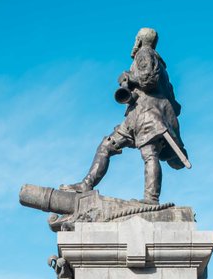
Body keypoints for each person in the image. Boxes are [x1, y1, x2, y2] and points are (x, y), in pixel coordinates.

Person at [61, 27, 187, 204]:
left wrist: (129, 77)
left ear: (139, 40)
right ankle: (86, 185)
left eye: (136, 38)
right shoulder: (161, 66)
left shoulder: (144, 53)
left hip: (146, 115)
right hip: (138, 116)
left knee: (148, 153)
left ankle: (151, 199)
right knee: (108, 145)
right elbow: (176, 106)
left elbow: (148, 80)